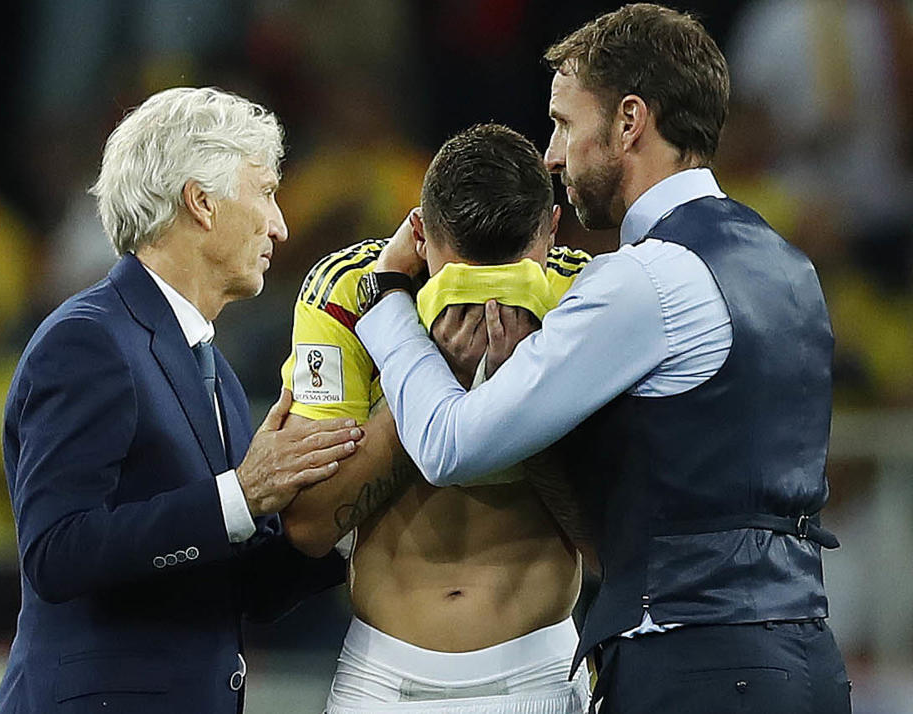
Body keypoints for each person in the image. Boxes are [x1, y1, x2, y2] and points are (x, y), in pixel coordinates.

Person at [353, 5, 852, 714]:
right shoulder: (786, 263)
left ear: (628, 121)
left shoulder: (641, 279)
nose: (551, 156)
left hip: (694, 664)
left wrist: (387, 302)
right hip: (799, 654)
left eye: (562, 123)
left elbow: (448, 442)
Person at [0, 87, 364, 714]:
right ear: (202, 203)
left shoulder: (208, 364)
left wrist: (346, 506)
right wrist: (239, 497)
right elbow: (56, 553)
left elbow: (241, 591)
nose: (281, 225)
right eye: (267, 192)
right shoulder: (88, 340)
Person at [278, 124, 593, 713]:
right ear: (419, 233)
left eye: (509, 273)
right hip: (382, 678)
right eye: (463, 275)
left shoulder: (585, 294)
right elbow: (310, 525)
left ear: (552, 229)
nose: (485, 301)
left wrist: (528, 395)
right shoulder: (348, 294)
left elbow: (609, 548)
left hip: (539, 674)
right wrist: (425, 376)